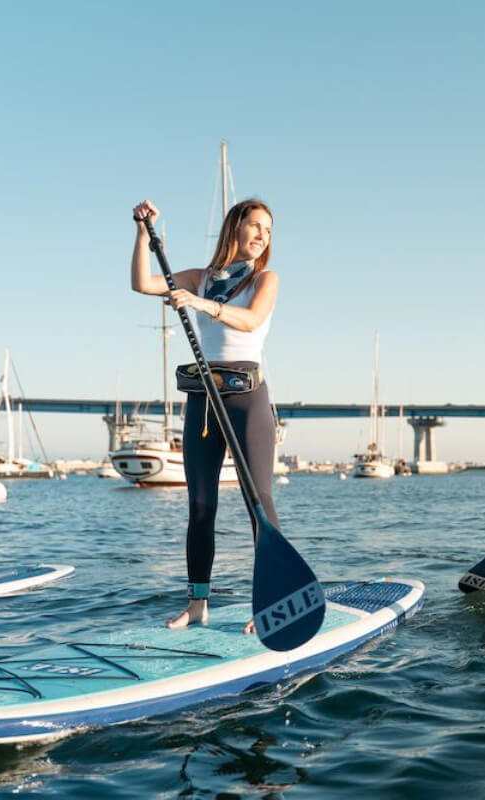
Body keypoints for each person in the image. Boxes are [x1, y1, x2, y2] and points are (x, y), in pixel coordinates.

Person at [131, 198, 279, 631]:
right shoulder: (202, 277)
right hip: (203, 400)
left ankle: (270, 602)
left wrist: (200, 304)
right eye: (255, 226)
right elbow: (142, 283)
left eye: (268, 230)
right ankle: (197, 603)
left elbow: (250, 320)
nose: (262, 236)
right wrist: (142, 232)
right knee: (200, 505)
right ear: (235, 227)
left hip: (247, 398)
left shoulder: (265, 279)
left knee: (259, 503)